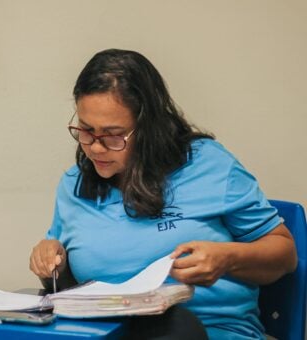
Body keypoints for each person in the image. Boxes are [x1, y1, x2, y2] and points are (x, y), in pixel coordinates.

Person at [29, 49, 297, 339]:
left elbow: (285, 255)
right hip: (110, 332)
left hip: (211, 330)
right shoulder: (74, 185)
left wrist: (228, 258)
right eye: (85, 130)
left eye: (112, 134)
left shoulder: (210, 165)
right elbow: (70, 291)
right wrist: (53, 265)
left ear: (148, 128)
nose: (94, 147)